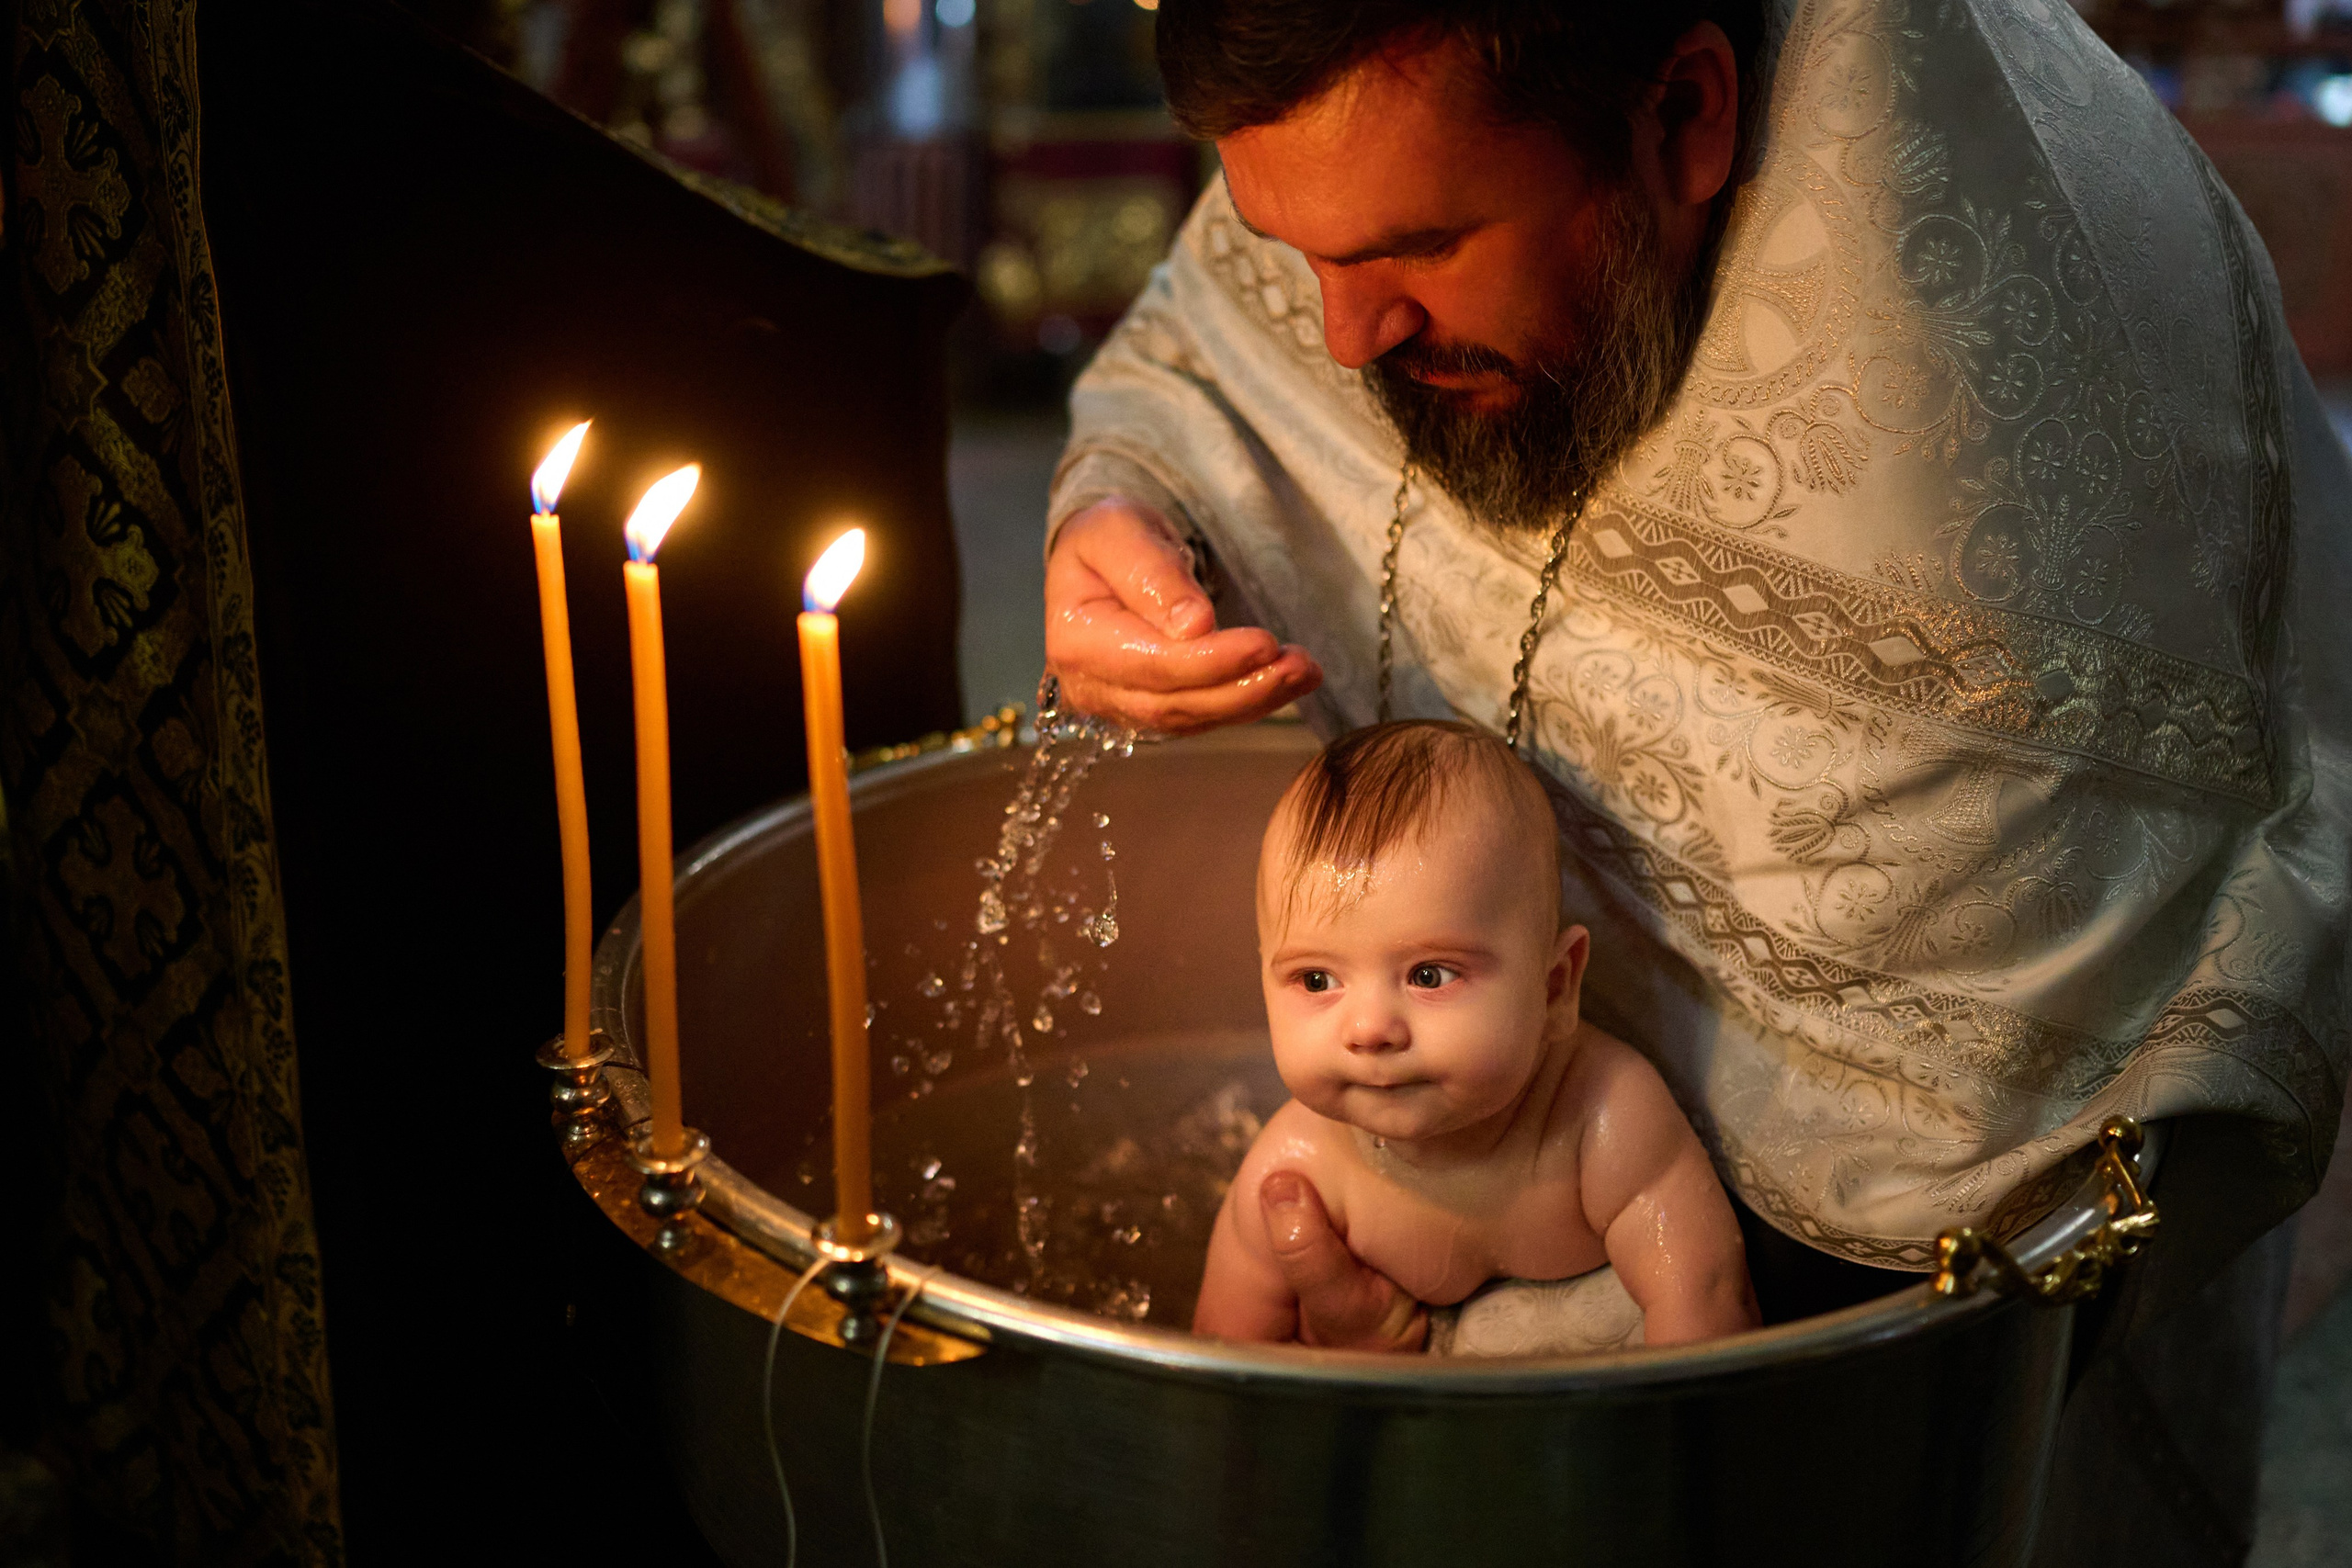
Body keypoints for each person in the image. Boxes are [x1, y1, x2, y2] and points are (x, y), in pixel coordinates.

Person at [1041, 0, 2347, 1530]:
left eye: (1419, 247)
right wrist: (1123, 518)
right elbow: (1211, 370)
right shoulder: (1378, 102)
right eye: (1298, 254)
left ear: (1687, 117)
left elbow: (1917, 1236)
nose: (1342, 337)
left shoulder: (1948, 456)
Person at [1194, 720, 1758, 1348]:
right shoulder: (1298, 1167)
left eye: (1429, 974)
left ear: (1554, 989)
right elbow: (1222, 1375)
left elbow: (1706, 1305)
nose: (1369, 1028)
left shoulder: (1603, 1119)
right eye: (1318, 979)